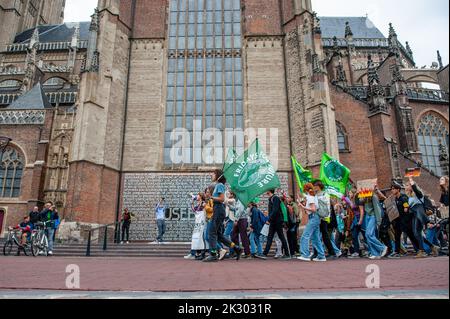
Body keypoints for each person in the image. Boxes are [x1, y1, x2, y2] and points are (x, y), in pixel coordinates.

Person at [203, 170, 242, 262]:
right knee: (219, 235)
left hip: (218, 210)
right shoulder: (217, 185)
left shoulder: (219, 185)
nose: (211, 174)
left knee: (211, 232)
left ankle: (213, 254)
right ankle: (236, 248)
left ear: (218, 176)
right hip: (219, 210)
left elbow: (222, 199)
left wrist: (211, 197)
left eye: (213, 173)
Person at [405, 177, 439, 258]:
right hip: (414, 215)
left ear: (411, 186)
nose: (405, 186)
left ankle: (422, 251)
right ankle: (433, 247)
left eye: (407, 185)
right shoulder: (409, 197)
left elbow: (417, 191)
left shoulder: (418, 194)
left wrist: (411, 181)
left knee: (417, 233)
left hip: (419, 214)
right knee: (416, 233)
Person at [298, 183, 326, 262]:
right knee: (315, 238)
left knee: (305, 236)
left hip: (313, 217)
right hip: (315, 218)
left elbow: (313, 209)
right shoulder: (312, 197)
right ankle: (321, 256)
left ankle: (305, 255)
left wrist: (303, 207)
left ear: (305, 189)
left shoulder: (310, 198)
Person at [356, 189, 388, 260]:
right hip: (367, 216)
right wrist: (357, 194)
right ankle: (375, 253)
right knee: (370, 235)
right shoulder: (364, 197)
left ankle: (382, 247)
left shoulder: (373, 196)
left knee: (369, 234)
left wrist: (379, 221)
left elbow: (377, 208)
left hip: (373, 216)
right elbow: (358, 203)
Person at [313, 181, 341, 259]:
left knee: (323, 236)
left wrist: (326, 217)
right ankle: (318, 253)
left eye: (315, 186)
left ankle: (331, 253)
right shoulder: (315, 195)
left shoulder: (325, 195)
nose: (314, 187)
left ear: (319, 187)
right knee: (319, 236)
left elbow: (327, 207)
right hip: (317, 217)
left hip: (323, 218)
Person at [390, 181, 419, 257]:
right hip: (397, 221)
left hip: (405, 221)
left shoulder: (403, 197)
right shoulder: (394, 199)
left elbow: (406, 206)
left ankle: (419, 249)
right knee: (397, 236)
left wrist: (406, 208)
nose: (392, 190)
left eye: (393, 189)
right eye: (391, 189)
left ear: (398, 189)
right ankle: (397, 252)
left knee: (411, 235)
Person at [261, 189, 291, 260]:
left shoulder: (275, 198)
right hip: (273, 221)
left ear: (269, 191)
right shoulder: (271, 199)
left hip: (277, 221)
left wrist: (269, 220)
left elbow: (275, 210)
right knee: (270, 237)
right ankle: (264, 254)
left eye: (267, 190)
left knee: (281, 237)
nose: (265, 191)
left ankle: (287, 254)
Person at [345, 190, 366, 259]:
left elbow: (362, 211)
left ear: (353, 193)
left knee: (365, 235)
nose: (349, 194)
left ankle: (368, 250)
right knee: (354, 235)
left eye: (350, 193)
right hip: (355, 220)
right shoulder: (351, 201)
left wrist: (360, 220)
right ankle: (356, 252)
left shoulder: (358, 199)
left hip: (360, 218)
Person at [189, 193, 208, 260]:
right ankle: (198, 253)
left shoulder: (203, 203)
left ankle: (202, 253)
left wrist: (193, 198)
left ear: (201, 197)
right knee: (197, 237)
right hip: (198, 223)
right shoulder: (198, 204)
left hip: (202, 223)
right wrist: (192, 202)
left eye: (198, 195)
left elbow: (200, 210)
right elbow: (194, 210)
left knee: (202, 237)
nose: (197, 196)